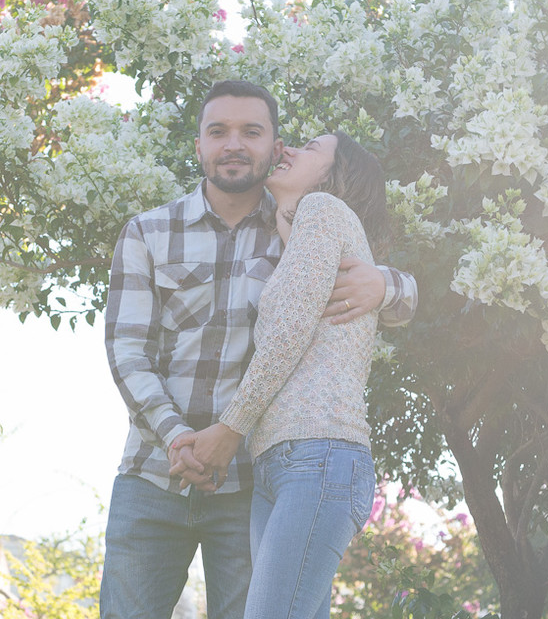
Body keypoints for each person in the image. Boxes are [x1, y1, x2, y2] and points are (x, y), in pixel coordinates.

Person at [100, 80, 416, 619]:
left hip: (249, 480)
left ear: (273, 146)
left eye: (252, 131)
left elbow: (394, 297)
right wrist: (183, 440)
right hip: (154, 474)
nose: (233, 144)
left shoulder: (297, 226)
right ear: (198, 144)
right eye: (218, 131)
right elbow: (128, 352)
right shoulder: (147, 233)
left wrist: (388, 284)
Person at [173, 130, 387, 619]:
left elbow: (288, 333)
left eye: (310, 148)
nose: (288, 150)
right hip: (281, 465)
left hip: (319, 455)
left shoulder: (324, 211)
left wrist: (230, 429)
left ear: (334, 177)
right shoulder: (300, 241)